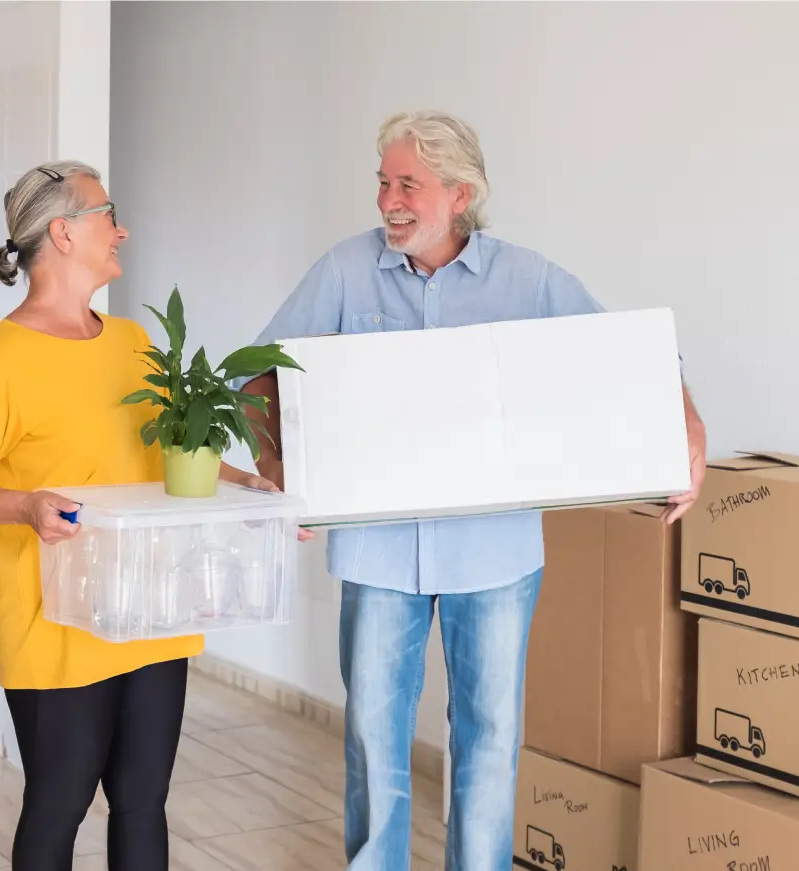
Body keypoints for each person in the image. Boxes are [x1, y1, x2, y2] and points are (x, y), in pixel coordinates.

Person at [238, 111, 706, 869]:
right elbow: (253, 372)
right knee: (372, 737)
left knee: (489, 740)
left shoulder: (530, 279)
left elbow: (635, 358)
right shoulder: (344, 271)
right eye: (383, 182)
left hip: (495, 555)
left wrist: (688, 428)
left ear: (461, 194)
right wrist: (277, 466)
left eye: (408, 185)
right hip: (377, 552)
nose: (388, 200)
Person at [0, 161, 287, 871]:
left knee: (144, 799)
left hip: (148, 610)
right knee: (58, 802)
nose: (122, 230)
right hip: (54, 622)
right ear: (63, 233)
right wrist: (23, 505)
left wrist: (250, 489)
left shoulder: (131, 344)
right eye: (107, 215)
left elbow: (171, 456)